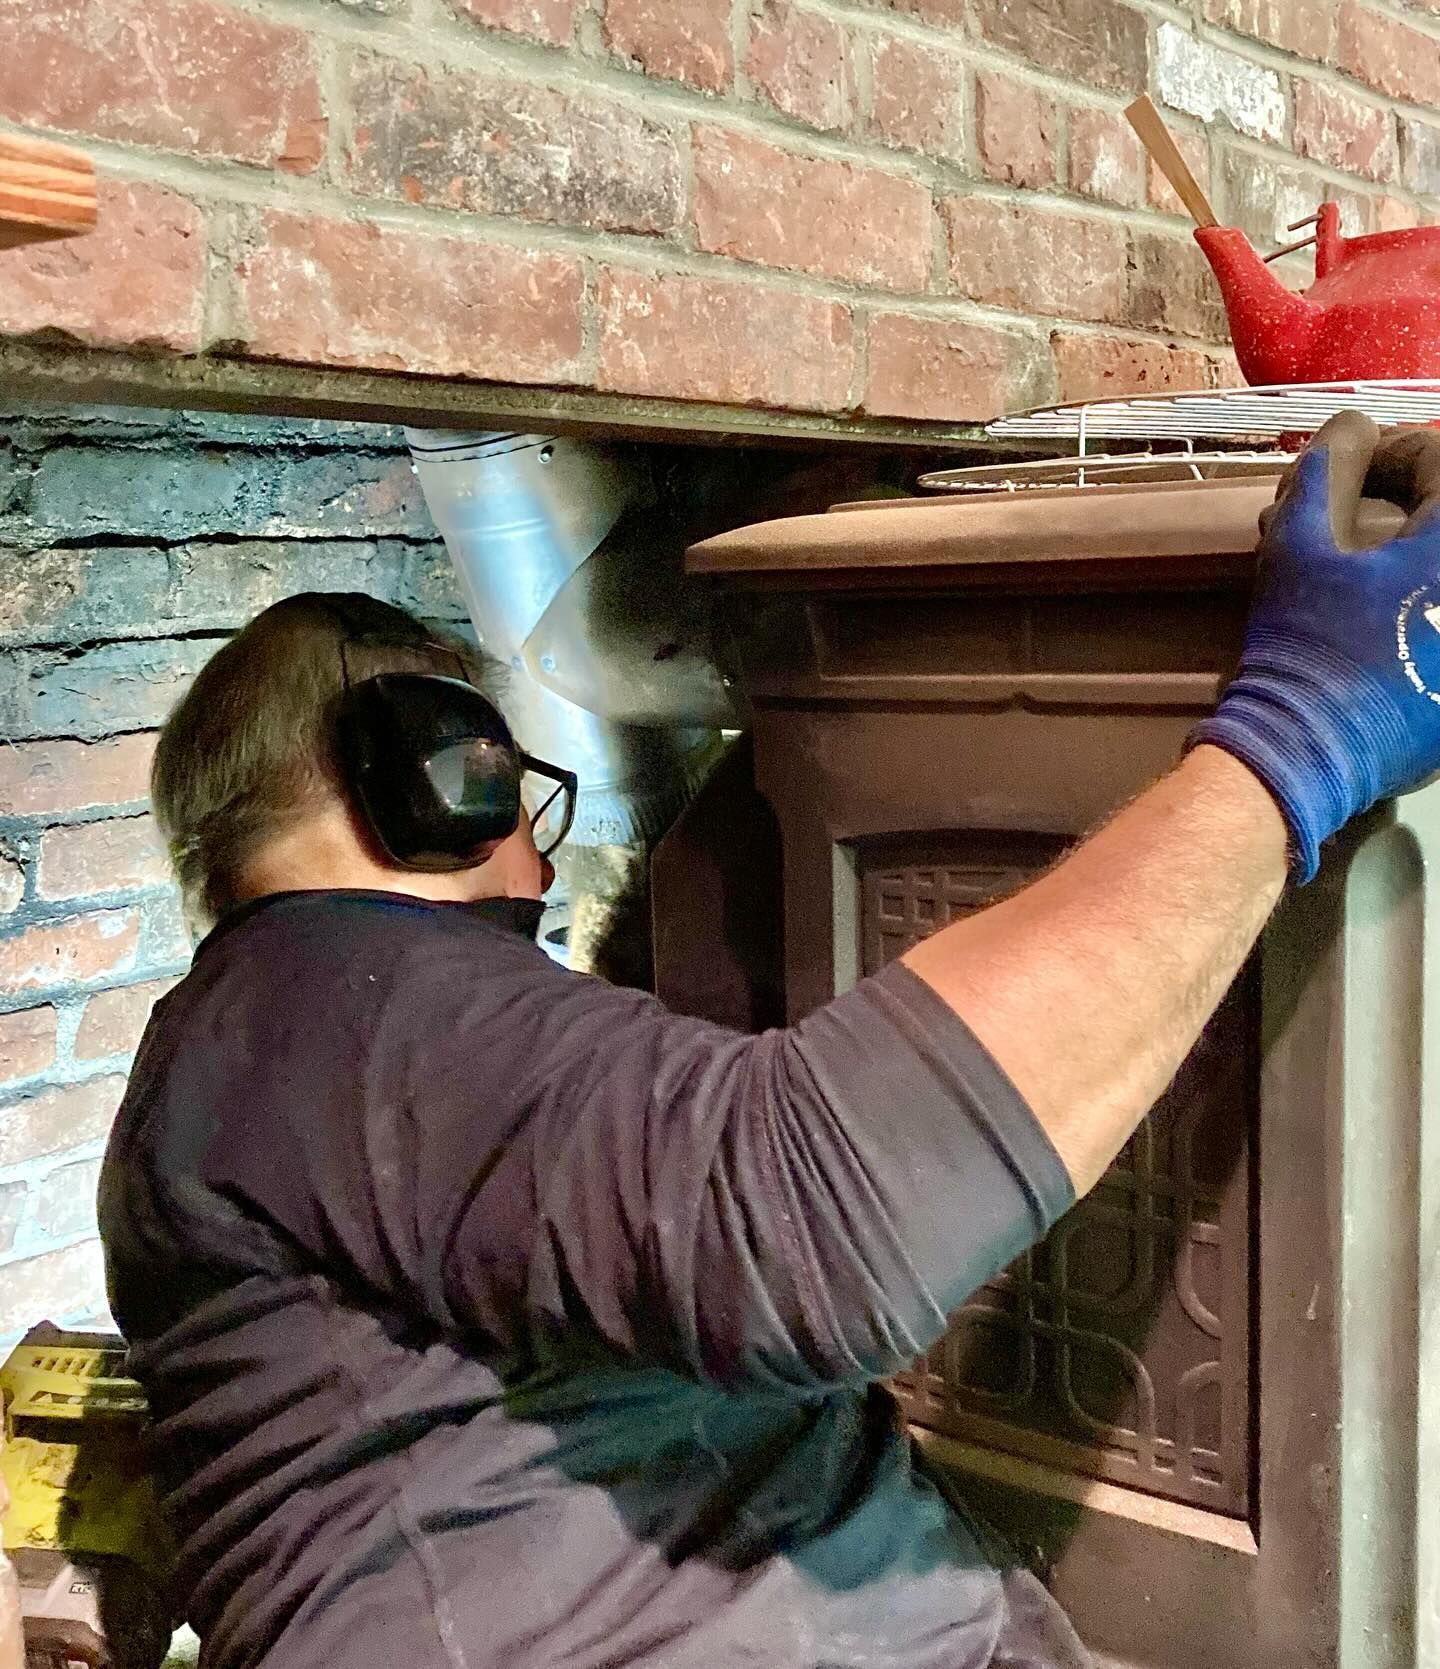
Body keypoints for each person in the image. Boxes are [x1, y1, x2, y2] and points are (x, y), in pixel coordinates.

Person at [99, 412, 1440, 1669]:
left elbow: (659, 1173)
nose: (543, 876)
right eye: (519, 806)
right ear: (441, 773)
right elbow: (816, 1227)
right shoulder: (337, 991)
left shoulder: (261, 1054)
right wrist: (1302, 731)